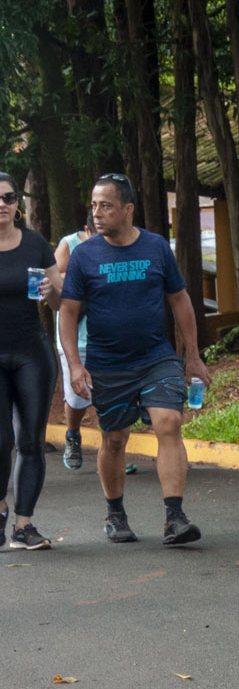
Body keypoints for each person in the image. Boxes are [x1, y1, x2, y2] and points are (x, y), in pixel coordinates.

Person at [59, 172, 213, 546]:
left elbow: (180, 300)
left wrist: (193, 357)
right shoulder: (84, 255)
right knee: (114, 439)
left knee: (169, 422)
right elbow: (68, 312)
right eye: (94, 205)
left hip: (156, 357)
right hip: (107, 363)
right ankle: (115, 514)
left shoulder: (156, 247)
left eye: (106, 205)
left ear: (128, 209)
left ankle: (175, 518)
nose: (97, 213)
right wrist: (75, 364)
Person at [0, 172, 62, 550]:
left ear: (17, 203)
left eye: (8, 197)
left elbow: (59, 302)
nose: (1, 204)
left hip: (31, 353)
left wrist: (51, 289)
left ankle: (24, 526)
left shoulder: (35, 244)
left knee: (30, 442)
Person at [53, 213, 96, 470]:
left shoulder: (118, 242)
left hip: (109, 337)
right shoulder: (69, 244)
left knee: (111, 396)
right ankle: (72, 434)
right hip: (76, 335)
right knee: (78, 397)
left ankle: (113, 451)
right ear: (86, 230)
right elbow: (54, 276)